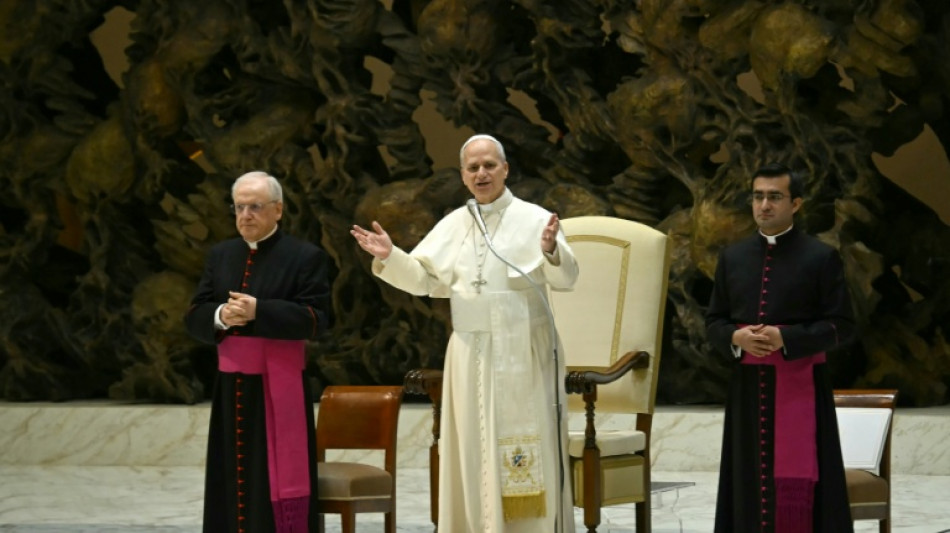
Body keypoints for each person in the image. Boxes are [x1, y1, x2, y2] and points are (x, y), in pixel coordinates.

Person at [351, 134, 579, 532]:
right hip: (470, 352)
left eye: (489, 165)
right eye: (473, 168)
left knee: (524, 445)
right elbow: (424, 279)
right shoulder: (454, 223)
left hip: (523, 350)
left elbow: (567, 278)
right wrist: (392, 256)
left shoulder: (536, 219)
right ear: (462, 175)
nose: (482, 173)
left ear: (505, 169)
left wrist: (549, 252)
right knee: (473, 448)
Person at [705, 162, 855, 532]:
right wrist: (735, 338)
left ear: (797, 203)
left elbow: (843, 326)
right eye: (758, 196)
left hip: (801, 386)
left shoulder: (820, 257)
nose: (764, 205)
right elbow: (713, 323)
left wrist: (787, 338)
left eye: (775, 197)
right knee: (746, 483)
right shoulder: (732, 258)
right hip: (746, 394)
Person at [184, 171, 331, 533]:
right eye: (239, 207)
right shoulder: (221, 255)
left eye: (255, 207)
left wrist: (259, 312)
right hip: (230, 387)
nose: (245, 215)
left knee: (270, 479)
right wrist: (220, 315)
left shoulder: (305, 256)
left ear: (278, 210)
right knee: (229, 476)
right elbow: (194, 314)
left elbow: (318, 319)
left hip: (279, 388)